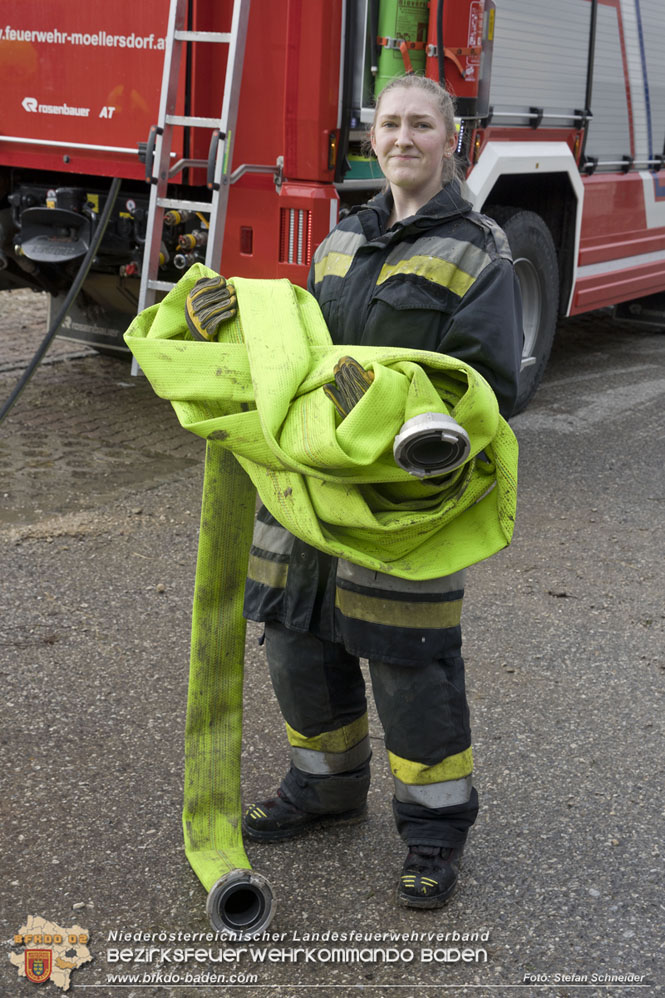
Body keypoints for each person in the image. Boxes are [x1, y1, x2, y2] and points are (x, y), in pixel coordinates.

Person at [240, 74, 523, 908]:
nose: (402, 138)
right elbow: (296, 355)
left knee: (409, 660)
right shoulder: (338, 241)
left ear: (450, 140)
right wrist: (233, 324)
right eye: (389, 124)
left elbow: (488, 389)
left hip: (403, 499)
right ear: (372, 138)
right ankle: (324, 789)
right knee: (297, 635)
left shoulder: (480, 252)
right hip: (309, 492)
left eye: (420, 126)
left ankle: (434, 832)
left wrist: (391, 423)